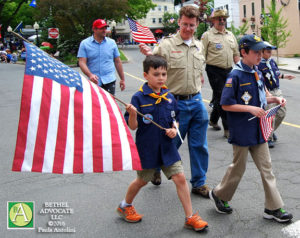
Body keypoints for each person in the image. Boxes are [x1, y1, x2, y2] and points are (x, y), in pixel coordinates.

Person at [117, 55, 208, 231]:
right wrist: (133, 113)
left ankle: (190, 217)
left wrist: (175, 129)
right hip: (148, 149)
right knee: (142, 180)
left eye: (164, 74)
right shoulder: (138, 98)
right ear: (145, 75)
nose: (160, 78)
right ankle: (125, 205)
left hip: (167, 147)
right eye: (156, 74)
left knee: (180, 178)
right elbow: (133, 126)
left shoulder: (169, 97)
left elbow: (176, 119)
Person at [209, 34, 293, 223]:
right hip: (242, 130)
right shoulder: (235, 75)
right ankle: (219, 195)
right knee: (238, 168)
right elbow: (225, 104)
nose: (260, 54)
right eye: (256, 51)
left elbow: (263, 96)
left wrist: (275, 99)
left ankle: (272, 208)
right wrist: (250, 108)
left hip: (259, 129)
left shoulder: (257, 71)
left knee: (267, 168)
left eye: (261, 51)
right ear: (244, 52)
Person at [139, 5, 210, 198]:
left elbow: (198, 70)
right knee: (171, 143)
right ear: (179, 22)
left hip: (196, 101)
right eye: (185, 24)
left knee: (199, 145)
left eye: (192, 25)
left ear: (196, 25)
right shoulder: (166, 45)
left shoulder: (199, 45)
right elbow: (154, 71)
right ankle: (155, 167)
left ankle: (199, 183)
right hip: (174, 103)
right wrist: (148, 54)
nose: (188, 28)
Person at [201, 9, 240, 138]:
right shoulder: (207, 35)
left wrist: (240, 69)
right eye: (219, 19)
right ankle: (228, 129)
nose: (222, 21)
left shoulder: (230, 35)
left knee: (220, 96)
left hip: (229, 70)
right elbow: (201, 55)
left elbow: (236, 54)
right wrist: (199, 73)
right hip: (214, 70)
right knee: (224, 97)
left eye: (224, 19)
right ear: (213, 20)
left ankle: (213, 120)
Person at [257, 42, 295, 148]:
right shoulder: (259, 64)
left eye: (271, 51)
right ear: (262, 52)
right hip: (268, 92)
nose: (270, 53)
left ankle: (270, 131)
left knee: (282, 113)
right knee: (269, 115)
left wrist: (286, 76)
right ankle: (267, 138)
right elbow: (259, 81)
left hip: (277, 90)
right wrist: (266, 93)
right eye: (268, 51)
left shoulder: (272, 62)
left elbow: (276, 74)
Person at [77, 19, 125, 95]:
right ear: (94, 29)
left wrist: (122, 79)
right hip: (94, 81)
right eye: (101, 28)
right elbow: (82, 62)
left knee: (110, 105)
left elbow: (117, 61)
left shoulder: (112, 43)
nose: (104, 30)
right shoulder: (85, 44)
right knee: (95, 106)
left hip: (109, 80)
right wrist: (90, 75)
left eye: (105, 28)